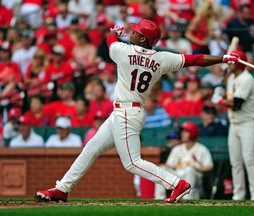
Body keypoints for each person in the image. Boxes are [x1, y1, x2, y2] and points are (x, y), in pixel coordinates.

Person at [35, 19, 239, 204]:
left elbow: (109, 41)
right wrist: (224, 58)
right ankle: (63, 188)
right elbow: (196, 59)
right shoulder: (161, 58)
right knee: (91, 149)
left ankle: (176, 183)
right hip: (125, 112)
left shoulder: (123, 51)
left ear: (142, 38)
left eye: (135, 32)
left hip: (126, 114)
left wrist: (114, 31)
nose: (131, 33)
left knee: (132, 163)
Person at [211, 50, 254, 200]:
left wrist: (219, 100)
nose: (229, 65)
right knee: (235, 161)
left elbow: (236, 103)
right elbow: (230, 96)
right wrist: (221, 92)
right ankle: (238, 194)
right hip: (235, 123)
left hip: (249, 122)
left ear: (239, 64)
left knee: (249, 160)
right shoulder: (232, 77)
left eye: (231, 63)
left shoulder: (247, 79)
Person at [154, 121, 214, 200]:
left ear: (193, 133)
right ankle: (159, 198)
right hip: (179, 175)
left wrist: (195, 168)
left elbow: (209, 166)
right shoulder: (177, 149)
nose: (182, 133)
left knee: (189, 169)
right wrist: (165, 167)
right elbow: (170, 165)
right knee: (161, 168)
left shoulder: (201, 149)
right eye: (182, 131)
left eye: (186, 131)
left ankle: (187, 198)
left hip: (195, 177)